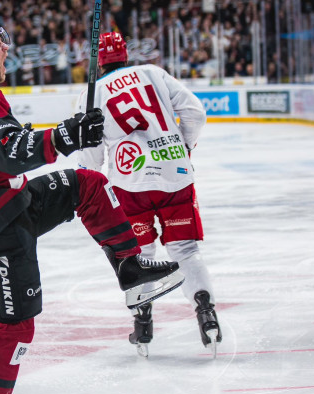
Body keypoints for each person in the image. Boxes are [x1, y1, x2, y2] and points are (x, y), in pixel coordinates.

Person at [0, 15, 184, 394]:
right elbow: (12, 152)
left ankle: (129, 266)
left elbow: (2, 151)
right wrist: (66, 137)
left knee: (85, 184)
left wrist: (65, 135)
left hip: (12, 203)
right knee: (16, 322)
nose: (5, 48)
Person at [77, 31, 221, 358]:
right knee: (185, 249)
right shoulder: (153, 73)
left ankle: (142, 321)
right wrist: (183, 145)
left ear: (97, 60)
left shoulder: (93, 94)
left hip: (130, 184)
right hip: (176, 174)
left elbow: (90, 156)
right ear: (126, 54)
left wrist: (91, 185)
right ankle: (206, 312)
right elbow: (195, 111)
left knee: (139, 254)